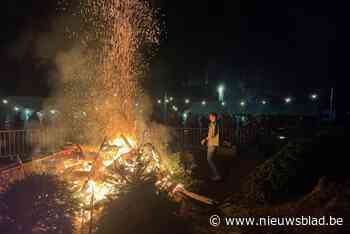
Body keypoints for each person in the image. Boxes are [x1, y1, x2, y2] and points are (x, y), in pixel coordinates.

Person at [201, 112, 222, 181]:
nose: (209, 117)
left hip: (212, 144)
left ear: (213, 117)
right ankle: (216, 174)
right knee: (212, 159)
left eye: (210, 116)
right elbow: (211, 134)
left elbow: (212, 134)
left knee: (209, 159)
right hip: (212, 143)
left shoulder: (214, 124)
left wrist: (205, 139)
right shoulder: (214, 124)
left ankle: (217, 175)